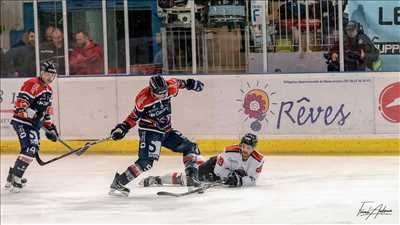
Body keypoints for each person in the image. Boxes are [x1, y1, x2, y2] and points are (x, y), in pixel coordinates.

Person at [108, 75, 204, 196]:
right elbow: (133, 117)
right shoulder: (143, 99)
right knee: (146, 163)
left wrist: (191, 84)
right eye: (160, 94)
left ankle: (192, 180)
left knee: (191, 147)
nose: (164, 96)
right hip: (150, 131)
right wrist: (123, 127)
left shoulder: (171, 87)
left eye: (165, 92)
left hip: (166, 130)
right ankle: (118, 182)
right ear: (152, 91)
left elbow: (180, 83)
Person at [5, 61, 59, 192]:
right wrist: (29, 113)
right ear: (42, 73)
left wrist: (50, 127)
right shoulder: (32, 84)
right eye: (47, 74)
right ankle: (16, 179)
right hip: (22, 122)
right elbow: (21, 103)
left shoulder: (49, 90)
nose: (50, 77)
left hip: (33, 125)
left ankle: (12, 176)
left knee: (31, 149)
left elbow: (47, 111)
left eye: (52, 75)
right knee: (30, 148)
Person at [140, 133, 264, 187]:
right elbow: (218, 170)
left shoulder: (258, 160)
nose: (245, 150)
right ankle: (157, 179)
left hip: (224, 173)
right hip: (213, 167)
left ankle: (196, 155)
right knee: (189, 179)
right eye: (243, 146)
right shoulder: (229, 151)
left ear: (253, 148)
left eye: (248, 147)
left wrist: (239, 181)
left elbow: (253, 180)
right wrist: (229, 177)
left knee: (198, 169)